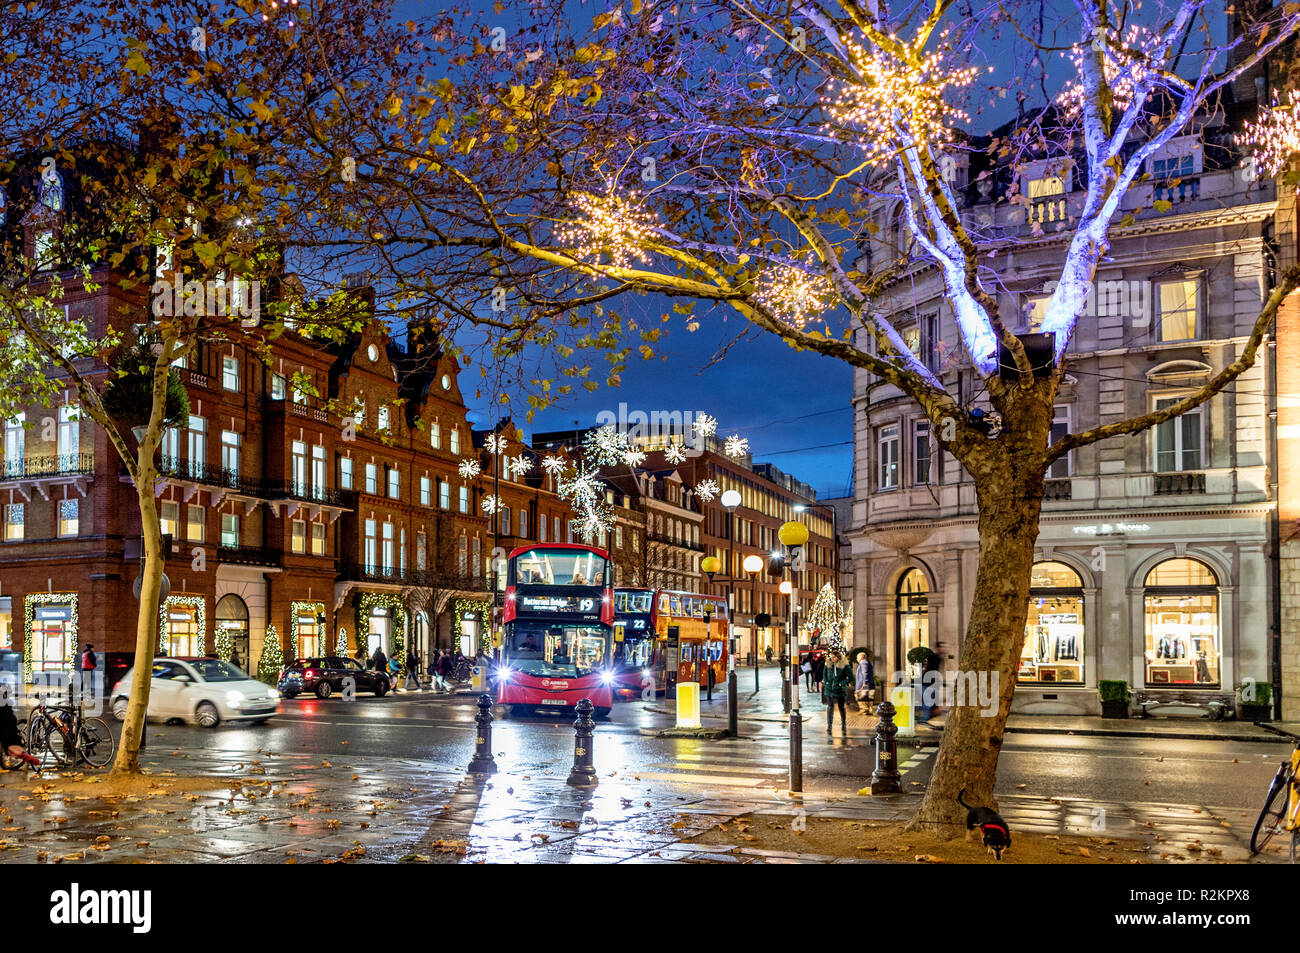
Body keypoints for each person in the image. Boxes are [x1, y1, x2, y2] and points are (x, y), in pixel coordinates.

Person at [822, 649, 853, 738]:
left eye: (834, 657)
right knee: (830, 706)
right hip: (829, 690)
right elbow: (824, 674)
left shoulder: (844, 665)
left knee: (841, 707)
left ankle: (843, 724)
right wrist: (826, 682)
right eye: (831, 657)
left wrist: (842, 683)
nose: (832, 658)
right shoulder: (827, 664)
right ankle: (829, 725)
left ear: (838, 657)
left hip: (839, 690)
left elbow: (851, 677)